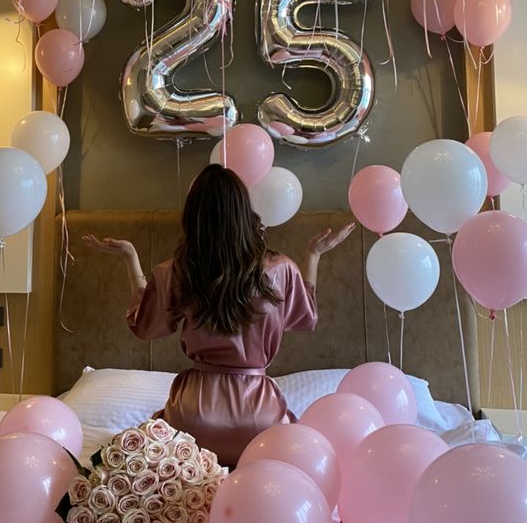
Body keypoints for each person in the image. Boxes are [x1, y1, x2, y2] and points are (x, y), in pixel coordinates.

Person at [83, 164, 355, 466]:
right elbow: (305, 318)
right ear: (244, 210)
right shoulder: (280, 269)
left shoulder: (175, 271)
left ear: (193, 216)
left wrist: (131, 259)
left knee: (157, 454)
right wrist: (313, 257)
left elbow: (145, 326)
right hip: (258, 420)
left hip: (194, 418)